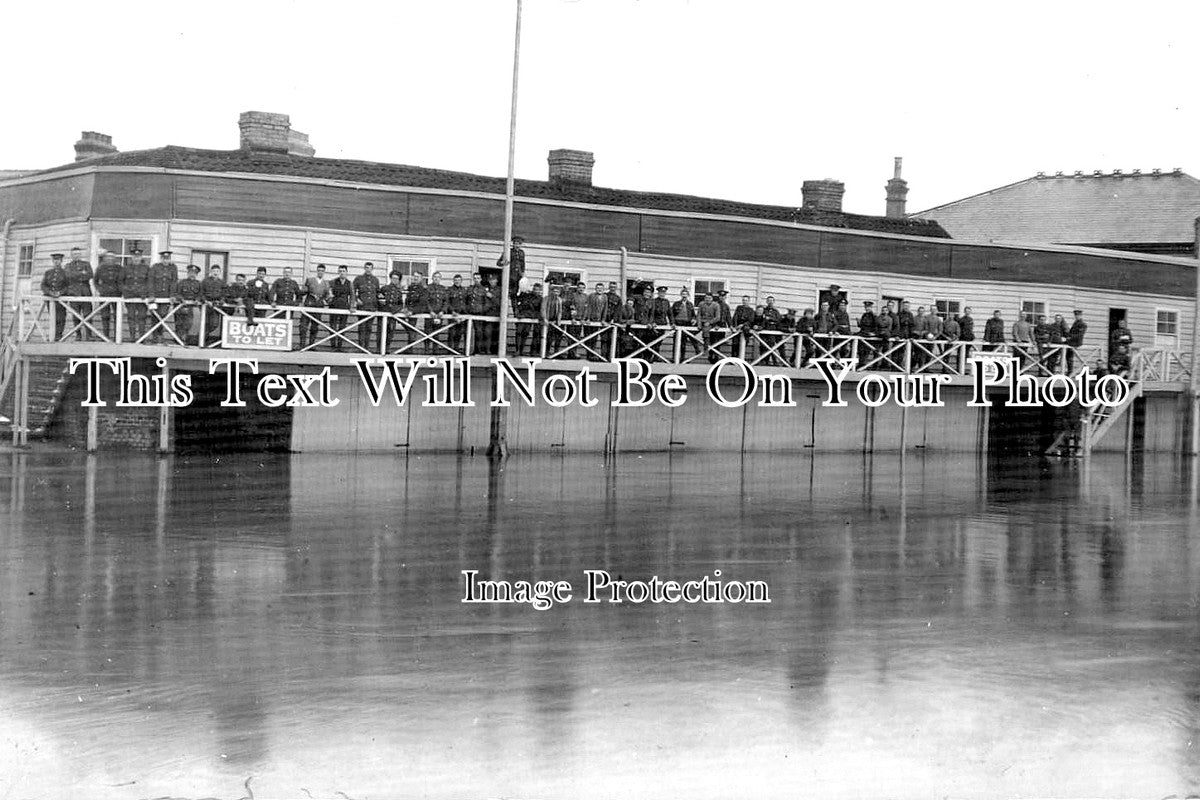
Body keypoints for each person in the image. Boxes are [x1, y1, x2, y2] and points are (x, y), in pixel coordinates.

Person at [63, 247, 95, 340]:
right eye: (74, 254)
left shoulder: (86, 264)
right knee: (75, 315)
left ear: (80, 255)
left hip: (85, 293)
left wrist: (76, 275)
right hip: (73, 294)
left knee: (88, 314)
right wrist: (81, 273)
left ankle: (89, 335)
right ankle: (78, 335)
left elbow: (90, 275)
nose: (76, 256)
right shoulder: (68, 266)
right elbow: (68, 275)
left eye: (78, 254)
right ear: (71, 256)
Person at [147, 250, 179, 343]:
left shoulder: (173, 268)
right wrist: (151, 294)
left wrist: (172, 295)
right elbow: (151, 281)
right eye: (164, 259)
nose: (166, 261)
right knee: (154, 316)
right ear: (161, 259)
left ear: (170, 259)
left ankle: (160, 335)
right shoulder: (155, 267)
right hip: (155, 296)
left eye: (167, 259)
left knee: (163, 315)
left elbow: (174, 282)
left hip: (166, 297)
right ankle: (154, 337)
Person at [122, 246, 151, 342]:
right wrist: (127, 291)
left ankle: (142, 337)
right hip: (130, 297)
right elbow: (120, 282)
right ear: (131, 257)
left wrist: (144, 292)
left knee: (142, 317)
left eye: (138, 257)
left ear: (141, 257)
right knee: (131, 317)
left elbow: (149, 282)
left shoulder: (146, 268)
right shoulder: (125, 268)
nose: (136, 258)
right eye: (134, 256)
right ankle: (132, 337)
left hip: (142, 297)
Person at [93, 251, 124, 341]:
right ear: (105, 258)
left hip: (116, 294)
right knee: (105, 315)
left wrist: (120, 290)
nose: (110, 259)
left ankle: (116, 336)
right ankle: (105, 336)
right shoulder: (100, 268)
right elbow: (95, 281)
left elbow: (122, 280)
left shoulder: (119, 268)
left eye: (112, 257)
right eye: (108, 257)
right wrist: (100, 289)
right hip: (104, 294)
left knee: (117, 316)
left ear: (115, 259)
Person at [300, 264, 331, 349]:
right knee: (303, 325)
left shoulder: (326, 283)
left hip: (318, 306)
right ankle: (302, 345)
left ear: (324, 272)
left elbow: (327, 297)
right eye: (319, 270)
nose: (320, 272)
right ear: (317, 271)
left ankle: (311, 345)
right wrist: (305, 290)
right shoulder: (310, 280)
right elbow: (302, 292)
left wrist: (330, 299)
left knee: (314, 327)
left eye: (322, 271)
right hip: (309, 304)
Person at [41, 253, 69, 340]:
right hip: (50, 299)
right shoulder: (48, 272)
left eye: (58, 260)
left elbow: (68, 286)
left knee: (60, 318)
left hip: (61, 299)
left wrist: (60, 292)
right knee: (52, 317)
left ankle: (58, 336)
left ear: (61, 261)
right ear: (53, 261)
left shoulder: (65, 273)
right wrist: (49, 292)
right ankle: (52, 335)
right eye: (55, 260)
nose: (56, 262)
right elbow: (43, 285)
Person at [353, 262, 381, 350]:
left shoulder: (375, 280)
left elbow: (378, 293)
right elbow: (352, 291)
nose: (368, 269)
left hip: (372, 307)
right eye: (366, 267)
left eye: (370, 268)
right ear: (364, 268)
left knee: (369, 328)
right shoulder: (358, 278)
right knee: (361, 327)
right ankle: (360, 347)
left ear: (372, 269)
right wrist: (356, 299)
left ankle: (366, 347)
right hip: (362, 307)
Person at [173, 265, 203, 346]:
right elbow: (177, 293)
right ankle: (178, 339)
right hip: (180, 306)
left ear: (197, 274)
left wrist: (197, 299)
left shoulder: (199, 284)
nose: (192, 274)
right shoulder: (182, 282)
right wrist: (181, 299)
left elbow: (200, 294)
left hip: (190, 307)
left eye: (194, 273)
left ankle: (184, 338)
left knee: (188, 323)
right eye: (191, 273)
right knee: (179, 323)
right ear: (188, 273)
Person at [328, 265, 354, 351]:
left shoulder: (349, 283)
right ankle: (333, 346)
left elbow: (352, 296)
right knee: (333, 326)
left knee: (342, 327)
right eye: (340, 271)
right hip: (334, 306)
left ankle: (339, 346)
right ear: (338, 272)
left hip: (344, 308)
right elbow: (329, 293)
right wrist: (329, 298)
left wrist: (351, 307)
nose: (342, 273)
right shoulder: (333, 282)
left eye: (343, 271)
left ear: (346, 272)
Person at [199, 264, 227, 345]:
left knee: (214, 324)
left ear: (220, 272)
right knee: (205, 323)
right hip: (206, 305)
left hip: (216, 306)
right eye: (214, 271)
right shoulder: (205, 281)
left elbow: (224, 294)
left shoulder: (222, 282)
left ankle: (202, 337)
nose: (215, 273)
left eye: (217, 271)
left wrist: (221, 301)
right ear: (210, 272)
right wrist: (206, 301)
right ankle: (202, 340)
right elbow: (201, 293)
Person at [514, 282, 543, 356]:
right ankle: (517, 350)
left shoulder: (540, 299)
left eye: (538, 290)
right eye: (535, 289)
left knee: (525, 333)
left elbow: (539, 310)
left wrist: (533, 315)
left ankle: (521, 351)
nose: (536, 291)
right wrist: (518, 313)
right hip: (523, 317)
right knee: (519, 332)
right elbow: (520, 305)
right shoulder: (527, 296)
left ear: (540, 291)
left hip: (531, 318)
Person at [423, 271, 449, 354]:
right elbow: (426, 301)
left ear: (440, 279)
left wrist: (442, 311)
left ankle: (435, 350)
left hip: (439, 314)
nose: (436, 278)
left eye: (438, 277)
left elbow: (446, 301)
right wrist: (430, 311)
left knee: (437, 333)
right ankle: (427, 350)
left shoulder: (443, 289)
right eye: (435, 277)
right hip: (430, 314)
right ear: (432, 278)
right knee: (427, 333)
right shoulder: (427, 288)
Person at [380, 272, 406, 351]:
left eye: (396, 279)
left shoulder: (399, 291)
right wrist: (381, 301)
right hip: (384, 313)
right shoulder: (384, 288)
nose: (394, 280)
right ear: (390, 278)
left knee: (390, 333)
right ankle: (380, 349)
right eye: (393, 278)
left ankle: (387, 349)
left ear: (399, 280)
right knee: (382, 332)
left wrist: (395, 311)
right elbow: (379, 299)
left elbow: (400, 304)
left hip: (393, 315)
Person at [446, 274, 468, 354]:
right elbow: (447, 303)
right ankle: (450, 350)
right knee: (452, 333)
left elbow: (466, 302)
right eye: (455, 280)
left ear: (461, 281)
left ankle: (456, 349)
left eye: (459, 280)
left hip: (461, 315)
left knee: (459, 333)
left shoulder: (464, 290)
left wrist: (464, 314)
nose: (457, 282)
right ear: (453, 281)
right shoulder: (449, 290)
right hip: (453, 314)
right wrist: (452, 312)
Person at [498, 235, 525, 301]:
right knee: (507, 293)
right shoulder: (508, 252)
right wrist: (503, 262)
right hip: (510, 275)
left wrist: (522, 273)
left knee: (517, 295)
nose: (517, 246)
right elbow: (498, 263)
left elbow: (523, 264)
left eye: (519, 244)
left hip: (518, 276)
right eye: (516, 244)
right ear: (513, 244)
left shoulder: (522, 253)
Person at [696, 292, 722, 363]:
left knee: (706, 330)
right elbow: (698, 315)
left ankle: (706, 349)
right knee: (691, 333)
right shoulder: (701, 304)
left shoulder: (716, 305)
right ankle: (697, 349)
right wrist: (698, 324)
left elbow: (717, 317)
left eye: (709, 298)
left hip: (711, 322)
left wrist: (710, 322)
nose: (707, 299)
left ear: (712, 298)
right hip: (702, 322)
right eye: (706, 298)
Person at [541, 283, 565, 357]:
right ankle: (546, 352)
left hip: (555, 321)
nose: (555, 293)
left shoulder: (559, 300)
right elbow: (543, 309)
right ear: (551, 292)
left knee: (558, 337)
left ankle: (556, 353)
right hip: (548, 320)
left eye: (557, 292)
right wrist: (545, 318)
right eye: (554, 291)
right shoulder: (546, 298)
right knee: (548, 338)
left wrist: (559, 320)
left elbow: (560, 311)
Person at [760, 296, 784, 366]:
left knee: (771, 346)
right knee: (763, 346)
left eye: (772, 301)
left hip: (773, 331)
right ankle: (764, 361)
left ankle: (774, 361)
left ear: (774, 302)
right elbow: (761, 318)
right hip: (765, 330)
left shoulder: (776, 311)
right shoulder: (764, 310)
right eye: (769, 300)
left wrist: (770, 318)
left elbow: (779, 320)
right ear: (766, 302)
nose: (770, 302)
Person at [733, 295, 756, 360]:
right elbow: (735, 317)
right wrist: (735, 326)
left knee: (743, 344)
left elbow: (751, 320)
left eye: (746, 300)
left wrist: (742, 325)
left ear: (749, 301)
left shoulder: (751, 310)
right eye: (743, 300)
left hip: (745, 328)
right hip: (737, 328)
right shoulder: (739, 308)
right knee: (735, 344)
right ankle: (733, 360)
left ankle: (740, 359)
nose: (744, 302)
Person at [1066, 310, 1087, 374]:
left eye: (1078, 315)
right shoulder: (1075, 322)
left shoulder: (1083, 324)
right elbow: (1071, 332)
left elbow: (1080, 335)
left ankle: (1070, 371)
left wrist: (1070, 337)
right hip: (1071, 341)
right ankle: (1069, 370)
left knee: (1070, 356)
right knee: (1067, 354)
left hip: (1076, 342)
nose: (1077, 316)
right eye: (1076, 315)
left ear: (1081, 315)